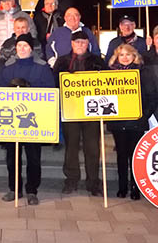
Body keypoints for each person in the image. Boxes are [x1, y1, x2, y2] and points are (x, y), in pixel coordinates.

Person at [0, 34, 55, 205]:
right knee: (12, 156)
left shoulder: (42, 67)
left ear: (31, 48)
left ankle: (32, 190)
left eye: (25, 46)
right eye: (19, 45)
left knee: (33, 157)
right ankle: (14, 188)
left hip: (33, 121)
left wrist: (31, 89)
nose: (22, 48)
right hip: (12, 121)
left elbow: (50, 90)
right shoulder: (7, 68)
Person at [53, 31, 106, 196]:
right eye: (77, 43)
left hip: (92, 111)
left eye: (83, 42)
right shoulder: (62, 62)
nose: (80, 45)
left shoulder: (98, 62)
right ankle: (71, 180)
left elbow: (107, 83)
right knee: (71, 147)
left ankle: (93, 182)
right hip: (70, 111)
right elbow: (55, 83)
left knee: (92, 148)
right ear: (72, 44)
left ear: (88, 44)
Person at [107, 44, 157, 200]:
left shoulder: (144, 73)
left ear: (134, 56)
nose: (125, 57)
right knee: (121, 154)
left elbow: (152, 97)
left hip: (136, 121)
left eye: (128, 54)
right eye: (121, 55)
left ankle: (136, 187)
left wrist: (143, 115)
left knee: (135, 155)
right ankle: (122, 187)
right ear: (117, 57)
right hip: (118, 121)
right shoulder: (110, 74)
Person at [0, 0, 36, 64]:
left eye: (9, 1)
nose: (6, 3)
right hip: (1, 55)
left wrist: (29, 51)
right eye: (4, 1)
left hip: (21, 55)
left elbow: (33, 33)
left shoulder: (24, 16)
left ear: (13, 1)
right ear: (0, 3)